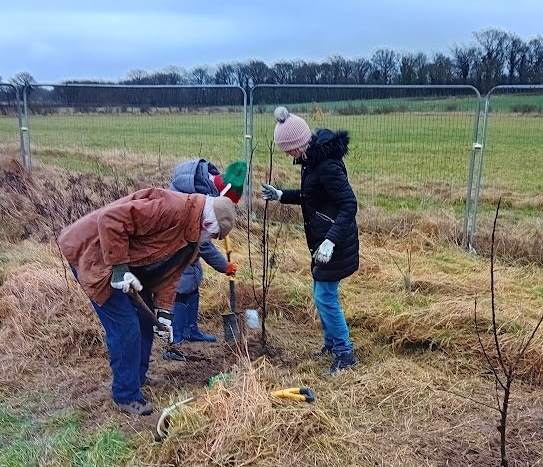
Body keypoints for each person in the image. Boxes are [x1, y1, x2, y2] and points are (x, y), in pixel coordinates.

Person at [58, 183, 236, 416]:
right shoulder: (171, 208)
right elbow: (110, 220)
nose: (210, 239)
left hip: (128, 266)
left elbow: (170, 276)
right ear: (208, 224)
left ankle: (137, 377)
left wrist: (164, 315)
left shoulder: (191, 237)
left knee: (145, 320)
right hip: (95, 253)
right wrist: (120, 269)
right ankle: (126, 395)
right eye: (213, 235)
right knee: (125, 326)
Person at [262, 106, 359, 375]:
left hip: (334, 243)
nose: (287, 155)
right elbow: (312, 196)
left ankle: (344, 353)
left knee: (325, 297)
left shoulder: (326, 165)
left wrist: (330, 241)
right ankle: (331, 344)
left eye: (288, 150)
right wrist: (282, 195)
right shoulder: (312, 160)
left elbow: (349, 204)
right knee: (322, 295)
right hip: (321, 243)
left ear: (300, 143)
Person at [165, 159, 244, 349]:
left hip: (185, 243)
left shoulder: (204, 186)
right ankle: (175, 338)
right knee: (183, 286)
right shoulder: (198, 196)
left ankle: (191, 330)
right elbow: (204, 243)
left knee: (192, 281)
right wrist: (223, 266)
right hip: (176, 243)